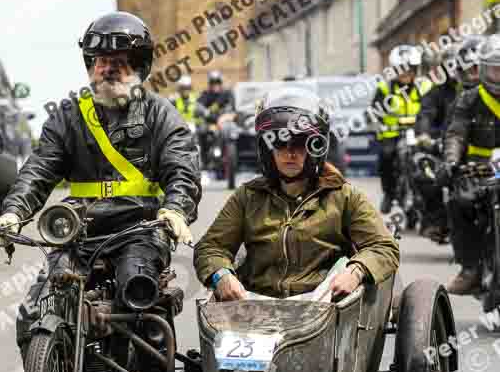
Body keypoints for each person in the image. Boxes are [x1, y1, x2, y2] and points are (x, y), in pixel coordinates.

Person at [0, 11, 201, 372]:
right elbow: (39, 169)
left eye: (120, 61)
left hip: (140, 230)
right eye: (99, 61)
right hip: (78, 231)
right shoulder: (68, 116)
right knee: (36, 309)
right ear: (89, 65)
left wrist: (176, 210)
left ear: (140, 65)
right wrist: (14, 211)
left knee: (140, 294)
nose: (108, 68)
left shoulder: (161, 114)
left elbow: (182, 170)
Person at [193, 88, 399, 301]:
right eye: (280, 143)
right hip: (256, 312)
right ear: (267, 149)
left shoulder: (343, 196)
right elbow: (210, 247)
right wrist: (221, 275)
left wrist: (356, 271)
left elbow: (383, 246)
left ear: (315, 148)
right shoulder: (247, 197)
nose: (290, 153)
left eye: (300, 143)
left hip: (325, 309)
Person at [443, 33, 500, 295]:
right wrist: (453, 160)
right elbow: (456, 133)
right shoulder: (469, 98)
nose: (497, 76)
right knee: (459, 202)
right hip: (478, 170)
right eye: (494, 70)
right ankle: (470, 269)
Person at [414, 37, 481, 240]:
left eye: (476, 68)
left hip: (490, 158)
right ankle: (437, 221)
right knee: (428, 175)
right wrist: (426, 136)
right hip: (453, 149)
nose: (472, 73)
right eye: (466, 68)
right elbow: (428, 115)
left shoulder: (485, 92)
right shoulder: (451, 95)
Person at [371, 45, 431, 213]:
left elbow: (431, 109)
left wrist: (426, 125)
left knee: (428, 157)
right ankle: (389, 194)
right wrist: (378, 121)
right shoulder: (385, 88)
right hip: (392, 133)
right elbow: (375, 112)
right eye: (401, 69)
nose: (406, 74)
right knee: (386, 158)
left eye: (410, 69)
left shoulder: (425, 86)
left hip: (418, 133)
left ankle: (429, 197)